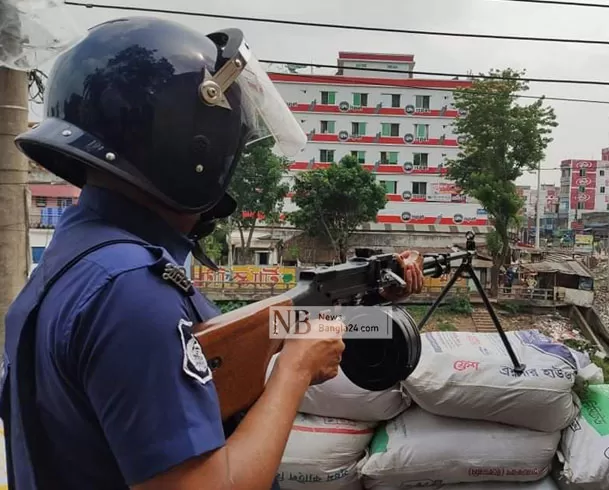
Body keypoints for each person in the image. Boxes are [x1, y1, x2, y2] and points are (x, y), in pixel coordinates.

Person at [0, 17, 424, 490]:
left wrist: (373, 302)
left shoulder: (81, 259)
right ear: (191, 146)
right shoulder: (132, 291)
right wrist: (295, 370)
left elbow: (248, 335)